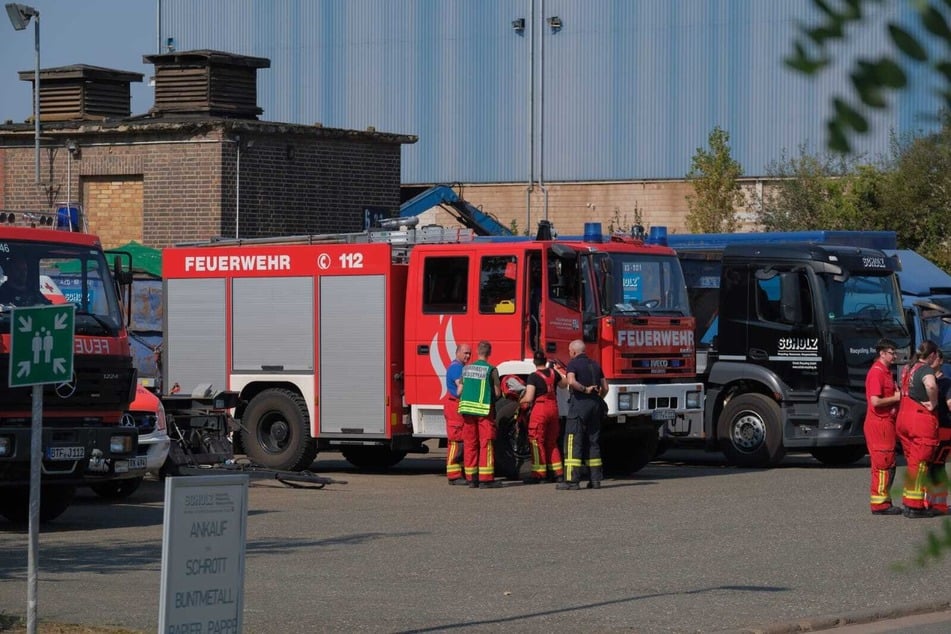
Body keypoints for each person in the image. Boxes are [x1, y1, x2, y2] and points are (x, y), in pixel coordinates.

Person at [896, 340, 940, 518]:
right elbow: (930, 385)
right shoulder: (926, 369)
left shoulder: (907, 368)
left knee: (913, 462)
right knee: (921, 463)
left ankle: (908, 502)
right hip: (919, 419)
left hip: (903, 416)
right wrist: (934, 403)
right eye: (936, 356)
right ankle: (915, 506)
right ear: (931, 356)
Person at [558, 339, 608, 490]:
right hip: (595, 406)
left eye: (569, 351)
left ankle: (572, 481)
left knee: (573, 441)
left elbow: (571, 382)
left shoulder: (573, 364)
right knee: (593, 442)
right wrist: (597, 397)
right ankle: (596, 480)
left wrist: (585, 390)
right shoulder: (595, 365)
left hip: (579, 406)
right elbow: (605, 387)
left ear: (573, 351)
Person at [864, 338, 903, 515]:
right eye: (891, 353)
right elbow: (875, 401)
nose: (894, 356)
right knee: (883, 462)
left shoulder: (886, 371)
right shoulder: (877, 373)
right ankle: (880, 504)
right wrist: (896, 398)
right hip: (879, 423)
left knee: (889, 461)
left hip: (887, 422)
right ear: (881, 353)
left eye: (894, 352)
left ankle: (884, 500)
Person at [457, 340, 502, 488]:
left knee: (470, 443)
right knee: (486, 443)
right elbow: (497, 392)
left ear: (476, 351)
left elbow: (459, 391)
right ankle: (486, 479)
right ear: (489, 353)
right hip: (483, 411)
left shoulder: (466, 369)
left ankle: (471, 478)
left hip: (467, 411)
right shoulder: (491, 369)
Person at [519, 349, 568, 484]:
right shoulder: (553, 373)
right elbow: (564, 385)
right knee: (551, 442)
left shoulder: (533, 377)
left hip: (540, 409)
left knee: (536, 441)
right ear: (546, 361)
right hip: (554, 408)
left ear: (534, 362)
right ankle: (558, 473)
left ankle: (539, 474)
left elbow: (529, 397)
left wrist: (519, 401)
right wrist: (558, 371)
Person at [925, 350, 951, 514]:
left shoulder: (946, 382)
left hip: (944, 429)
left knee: (938, 465)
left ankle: (939, 503)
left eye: (934, 358)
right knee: (929, 465)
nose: (931, 361)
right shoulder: (926, 379)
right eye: (929, 358)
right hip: (929, 429)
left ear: (941, 361)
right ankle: (930, 502)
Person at [444, 343, 471, 485]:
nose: (468, 356)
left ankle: (458, 472)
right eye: (465, 353)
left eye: (469, 354)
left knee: (461, 440)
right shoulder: (456, 368)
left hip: (457, 405)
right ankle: (454, 476)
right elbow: (461, 386)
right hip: (454, 404)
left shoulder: (460, 367)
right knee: (456, 440)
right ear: (458, 353)